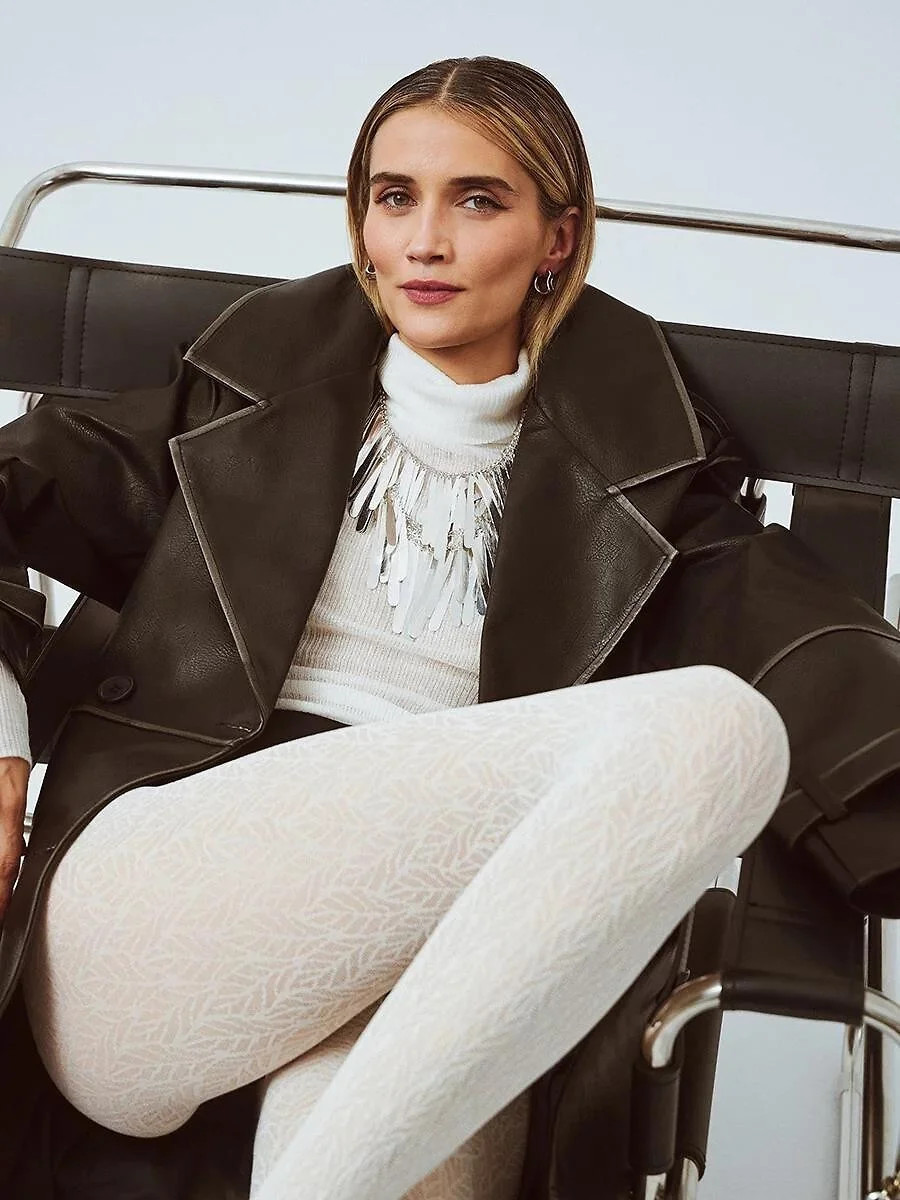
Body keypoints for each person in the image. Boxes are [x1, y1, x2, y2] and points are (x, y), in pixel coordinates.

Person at [0, 54, 894, 1200]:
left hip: (440, 962)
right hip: (152, 923)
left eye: (476, 200)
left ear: (557, 238)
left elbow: (825, 665)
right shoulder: (229, 394)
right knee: (716, 728)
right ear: (363, 222)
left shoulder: (652, 478)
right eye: (394, 197)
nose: (424, 241)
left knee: (428, 1129)